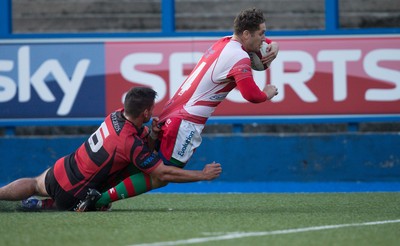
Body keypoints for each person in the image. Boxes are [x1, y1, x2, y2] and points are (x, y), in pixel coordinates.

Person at [85, 7, 279, 210]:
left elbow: (263, 45)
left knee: (148, 162)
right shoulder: (239, 58)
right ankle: (99, 200)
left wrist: (274, 45)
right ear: (247, 34)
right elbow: (251, 95)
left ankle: (97, 189)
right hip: (186, 122)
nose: (264, 37)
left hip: (174, 111)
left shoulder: (225, 42)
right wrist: (268, 92)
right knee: (163, 174)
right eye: (262, 33)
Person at [0, 87, 222, 211]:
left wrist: (153, 135)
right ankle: (42, 206)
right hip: (75, 192)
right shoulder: (129, 143)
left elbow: (140, 145)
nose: (153, 113)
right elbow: (162, 172)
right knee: (60, 205)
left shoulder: (115, 116)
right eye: (151, 110)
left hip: (63, 168)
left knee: (33, 183)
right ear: (144, 113)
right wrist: (201, 175)